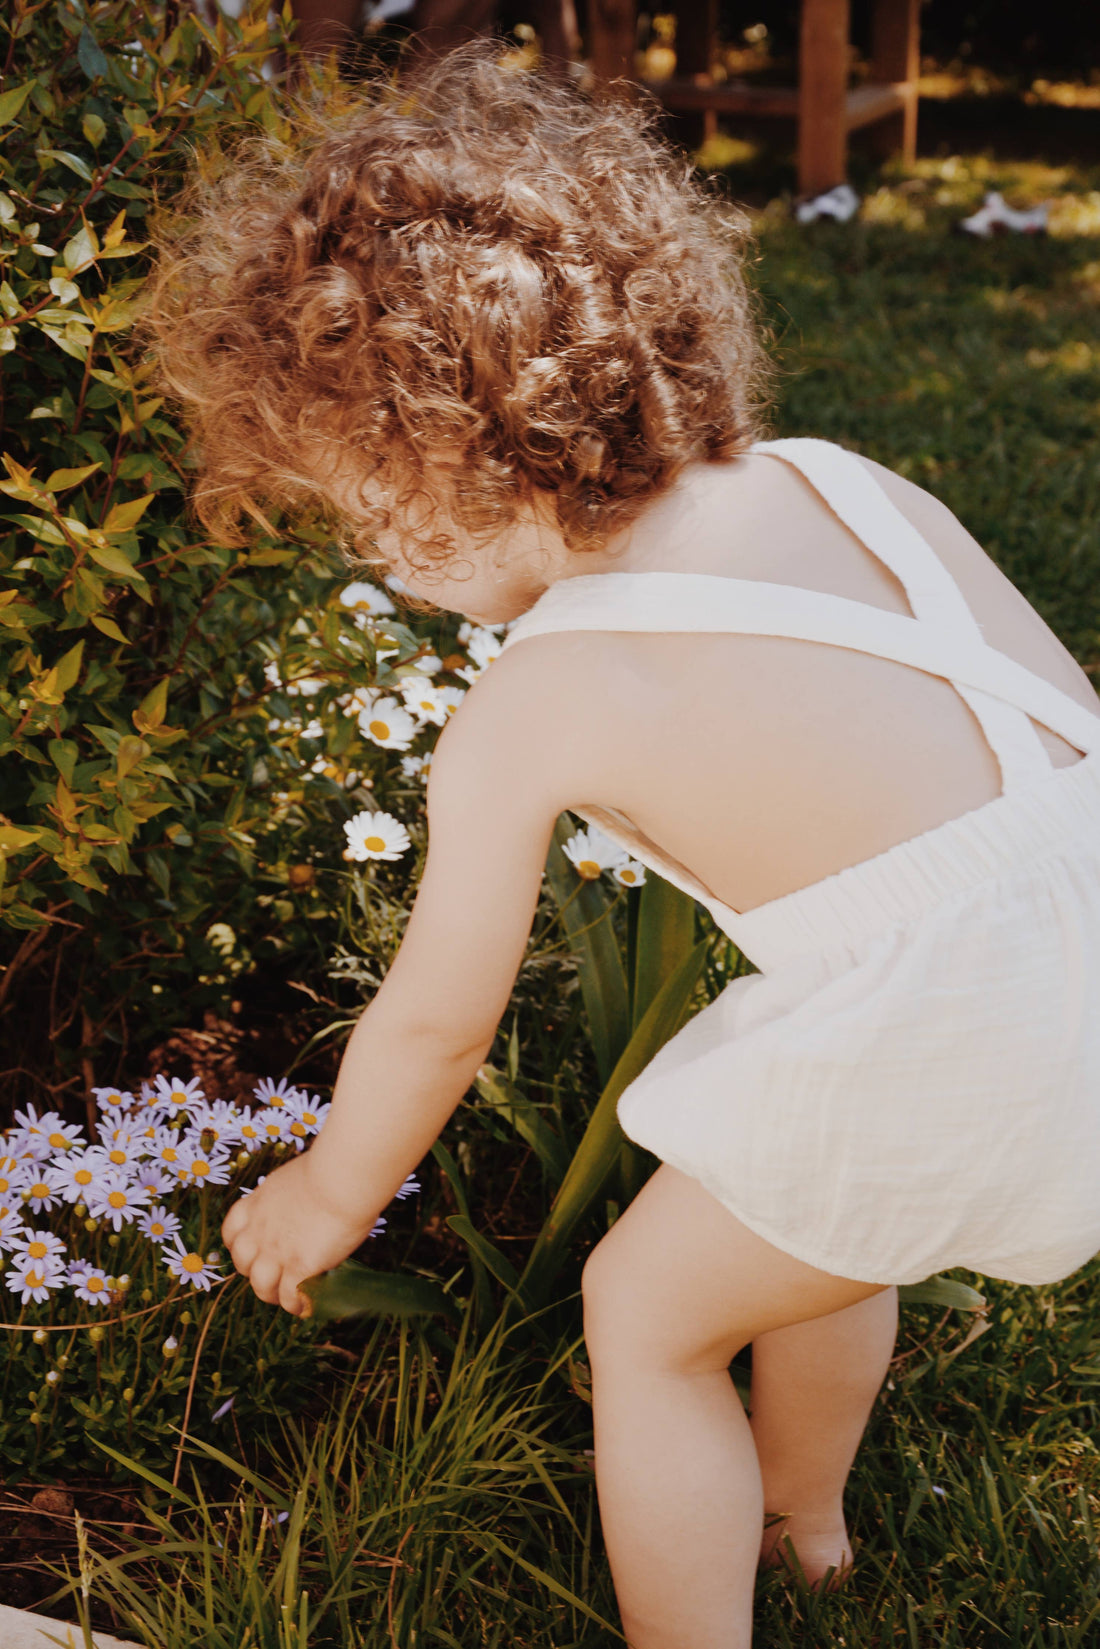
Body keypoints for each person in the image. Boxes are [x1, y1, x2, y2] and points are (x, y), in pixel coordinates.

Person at [144, 41, 1100, 1647]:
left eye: (362, 508)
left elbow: (440, 1020)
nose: (373, 557)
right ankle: (810, 1525)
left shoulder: (541, 700)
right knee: (822, 1226)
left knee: (645, 1314)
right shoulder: (843, 483)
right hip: (1078, 945)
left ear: (447, 463)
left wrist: (327, 1188)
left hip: (960, 1031)